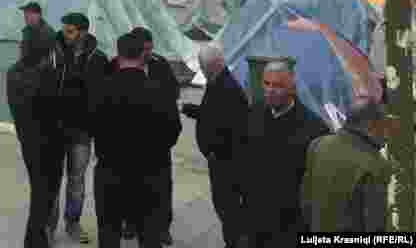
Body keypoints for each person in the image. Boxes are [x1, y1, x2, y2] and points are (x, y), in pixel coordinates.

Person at [89, 32, 181, 248]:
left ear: (118, 55)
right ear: (142, 55)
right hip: (149, 174)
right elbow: (173, 130)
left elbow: (91, 125)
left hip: (110, 174)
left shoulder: (101, 89)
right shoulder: (159, 92)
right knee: (149, 235)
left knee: (109, 233)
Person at [243, 61, 329, 248]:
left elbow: (319, 186)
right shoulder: (254, 113)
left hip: (290, 227)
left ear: (292, 88)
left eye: (278, 85)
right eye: (267, 83)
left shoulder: (314, 129)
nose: (270, 90)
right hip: (255, 220)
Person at [181, 44, 249, 248]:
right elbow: (212, 115)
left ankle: (235, 242)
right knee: (224, 208)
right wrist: (190, 109)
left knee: (227, 209)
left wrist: (213, 151)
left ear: (214, 65)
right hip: (219, 159)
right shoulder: (216, 81)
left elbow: (233, 129)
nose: (202, 71)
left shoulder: (228, 88)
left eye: (203, 67)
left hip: (225, 163)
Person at [51, 12, 110, 244]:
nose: (65, 35)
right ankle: (48, 225)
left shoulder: (98, 58)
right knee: (53, 181)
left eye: (70, 31)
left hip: (82, 132)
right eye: (65, 30)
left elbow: (103, 97)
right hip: (55, 129)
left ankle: (73, 223)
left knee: (76, 181)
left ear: (83, 32)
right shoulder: (53, 53)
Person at [7, 17, 64, 248]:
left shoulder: (14, 72)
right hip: (47, 143)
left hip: (28, 141)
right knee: (45, 195)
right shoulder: (45, 75)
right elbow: (53, 109)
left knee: (41, 193)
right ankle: (34, 240)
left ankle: (37, 237)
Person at [300, 98, 391, 233]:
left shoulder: (318, 145)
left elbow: (305, 203)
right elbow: (376, 225)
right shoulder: (376, 164)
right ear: (371, 125)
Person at [128, 26, 179, 245]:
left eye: (150, 48)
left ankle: (162, 227)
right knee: (132, 183)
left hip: (158, 140)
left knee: (162, 185)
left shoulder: (160, 64)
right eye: (144, 49)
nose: (148, 53)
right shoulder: (123, 64)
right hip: (132, 140)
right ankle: (131, 222)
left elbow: (173, 92)